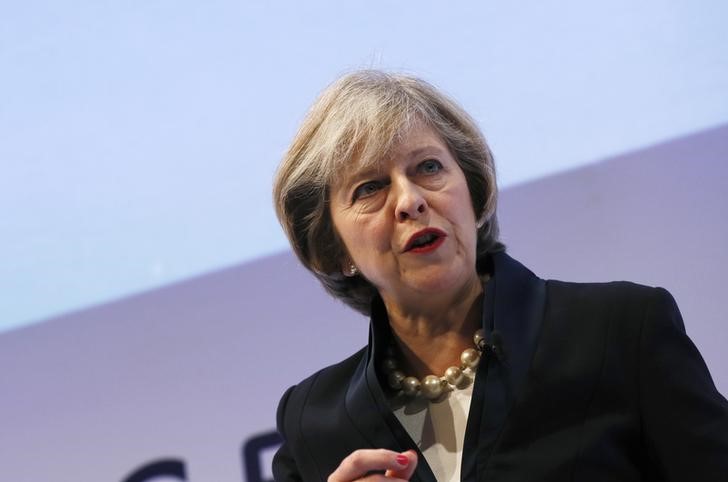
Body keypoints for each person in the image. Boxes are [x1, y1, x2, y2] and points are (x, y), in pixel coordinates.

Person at [270, 70, 728, 482]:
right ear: (333, 248)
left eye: (428, 167)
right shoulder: (313, 422)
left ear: (472, 190)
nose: (410, 200)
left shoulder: (620, 331)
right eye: (370, 188)